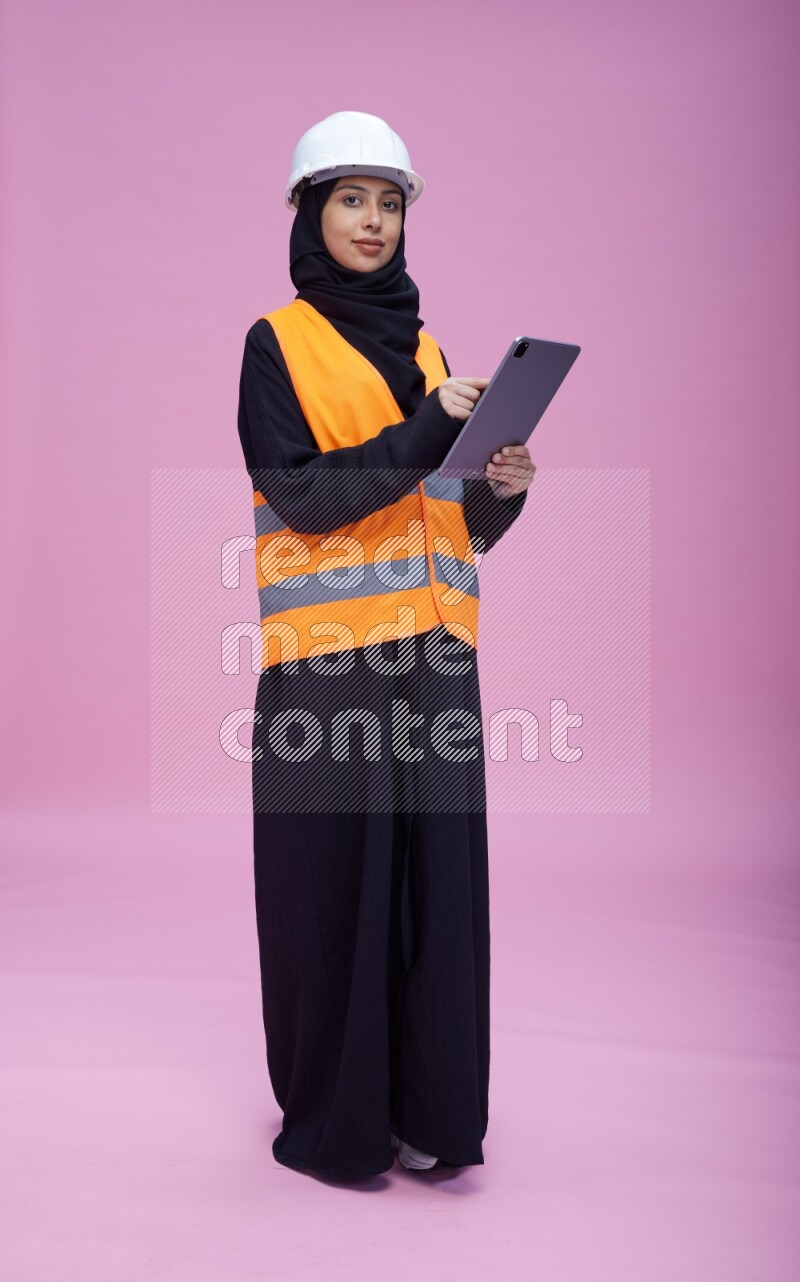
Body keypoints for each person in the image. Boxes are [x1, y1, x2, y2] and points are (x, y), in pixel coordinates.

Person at [236, 110, 535, 1180]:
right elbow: (303, 495)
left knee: (435, 896)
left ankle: (430, 1115)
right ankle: (343, 1124)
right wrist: (428, 427)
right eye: (351, 199)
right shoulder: (276, 343)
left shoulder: (430, 351)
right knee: (335, 892)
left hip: (436, 660)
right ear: (309, 212)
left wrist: (498, 492)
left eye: (390, 202)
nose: (373, 220)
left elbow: (446, 521)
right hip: (331, 667)